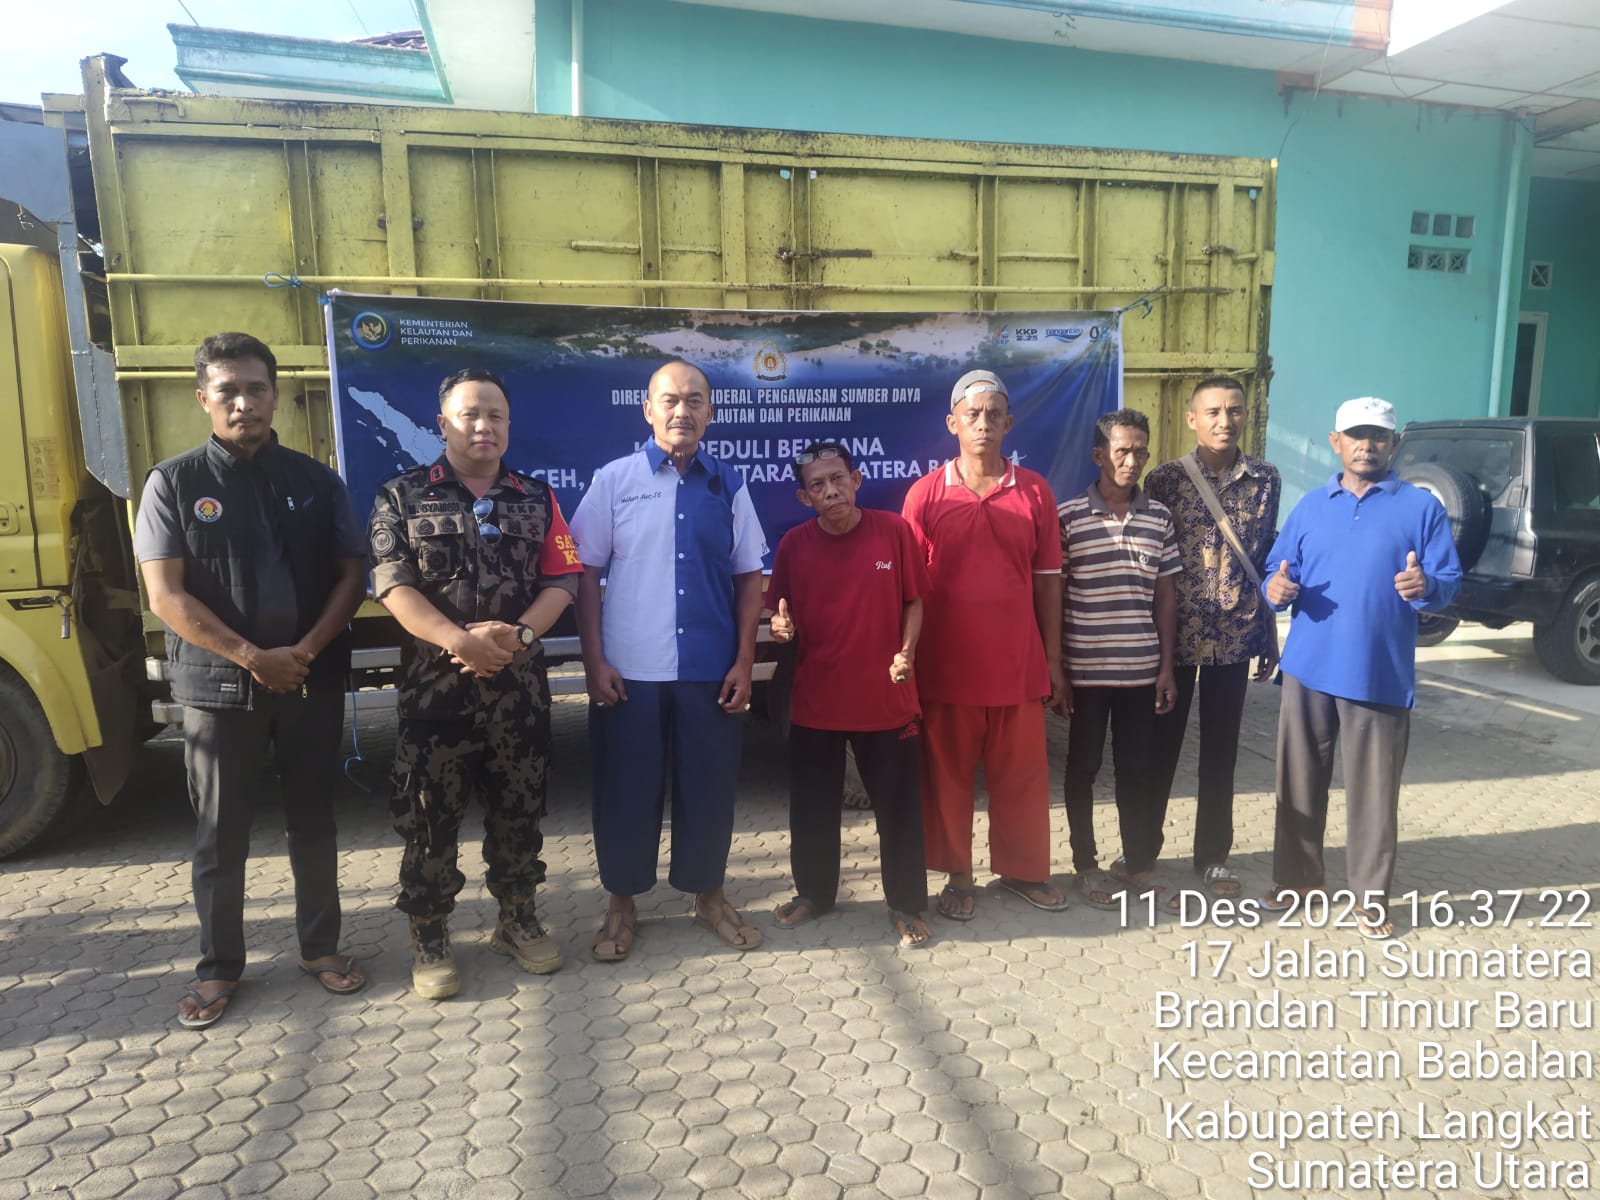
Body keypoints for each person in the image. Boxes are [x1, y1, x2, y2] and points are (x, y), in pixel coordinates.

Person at [136, 332, 368, 1029]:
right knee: (220, 832)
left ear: (276, 396)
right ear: (203, 397)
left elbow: (352, 576)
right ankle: (218, 968)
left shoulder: (315, 482)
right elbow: (166, 597)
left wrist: (301, 651)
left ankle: (320, 949)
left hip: (308, 680)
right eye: (228, 390)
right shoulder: (173, 483)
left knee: (314, 821)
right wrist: (250, 655)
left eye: (257, 388)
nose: (244, 402)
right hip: (217, 691)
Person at [369, 367, 581, 999]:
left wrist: (517, 640)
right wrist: (460, 642)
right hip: (437, 693)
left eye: (495, 416)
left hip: (518, 693)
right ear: (443, 425)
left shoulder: (537, 498)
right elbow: (392, 585)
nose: (483, 426)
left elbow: (562, 581)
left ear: (509, 426)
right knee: (430, 820)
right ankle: (430, 936)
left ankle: (517, 919)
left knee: (519, 813)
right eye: (470, 415)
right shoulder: (401, 495)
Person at [570, 360, 768, 960]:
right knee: (626, 790)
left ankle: (709, 896)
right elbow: (585, 575)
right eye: (670, 400)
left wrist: (743, 660)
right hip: (629, 669)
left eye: (695, 400)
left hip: (709, 669)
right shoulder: (614, 480)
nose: (682, 411)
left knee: (708, 789)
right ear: (648, 409)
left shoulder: (728, 485)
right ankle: (623, 902)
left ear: (711, 411)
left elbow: (749, 576)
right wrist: (593, 661)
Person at [1261, 396, 1462, 939]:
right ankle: (1298, 880)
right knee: (1297, 783)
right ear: (1336, 442)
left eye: (1377, 436)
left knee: (1373, 795)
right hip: (1307, 668)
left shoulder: (1420, 509)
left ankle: (1370, 898)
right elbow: (1275, 571)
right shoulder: (1311, 505)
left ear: (1393, 444)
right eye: (1356, 435)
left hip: (1379, 673)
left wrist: (1428, 588)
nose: (1366, 445)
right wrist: (1274, 588)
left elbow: (1448, 582)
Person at [901, 369, 1068, 921]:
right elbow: (907, 589)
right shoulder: (924, 495)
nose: (983, 424)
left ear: (1009, 423)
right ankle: (958, 873)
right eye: (971, 415)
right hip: (946, 666)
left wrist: (1053, 660)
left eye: (994, 414)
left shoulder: (1035, 491)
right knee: (946, 774)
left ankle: (1023, 871)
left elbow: (1048, 580)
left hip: (1017, 664)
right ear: (952, 423)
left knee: (1021, 776)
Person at [765, 441, 932, 948]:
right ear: (803, 496)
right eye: (817, 484)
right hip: (817, 700)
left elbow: (915, 601)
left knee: (900, 808)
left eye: (838, 478)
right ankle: (815, 894)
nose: (830, 490)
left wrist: (906, 652)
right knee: (813, 807)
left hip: (887, 700)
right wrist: (780, 625)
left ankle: (906, 905)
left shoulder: (895, 532)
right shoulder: (794, 544)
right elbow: (779, 612)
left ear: (857, 480)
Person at [1144, 377, 1281, 905]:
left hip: (1236, 636)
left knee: (1220, 753)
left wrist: (1269, 629)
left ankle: (1213, 854)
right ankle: (1142, 849)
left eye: (1235, 411)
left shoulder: (1266, 480)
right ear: (1192, 419)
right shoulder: (1166, 480)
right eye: (1214, 411)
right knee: (1161, 749)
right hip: (1175, 639)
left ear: (1246, 416)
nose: (1226, 421)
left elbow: (1266, 558)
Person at [1058, 408, 1182, 910]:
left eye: (1140, 452)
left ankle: (1137, 864)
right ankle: (1085, 864)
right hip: (1086, 672)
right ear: (1098, 455)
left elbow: (1166, 597)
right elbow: (1055, 595)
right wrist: (1059, 671)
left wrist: (1166, 667)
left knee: (1136, 770)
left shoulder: (1159, 517)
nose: (1132, 461)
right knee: (1082, 767)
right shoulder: (1068, 517)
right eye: (1121, 450)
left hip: (1140, 670)